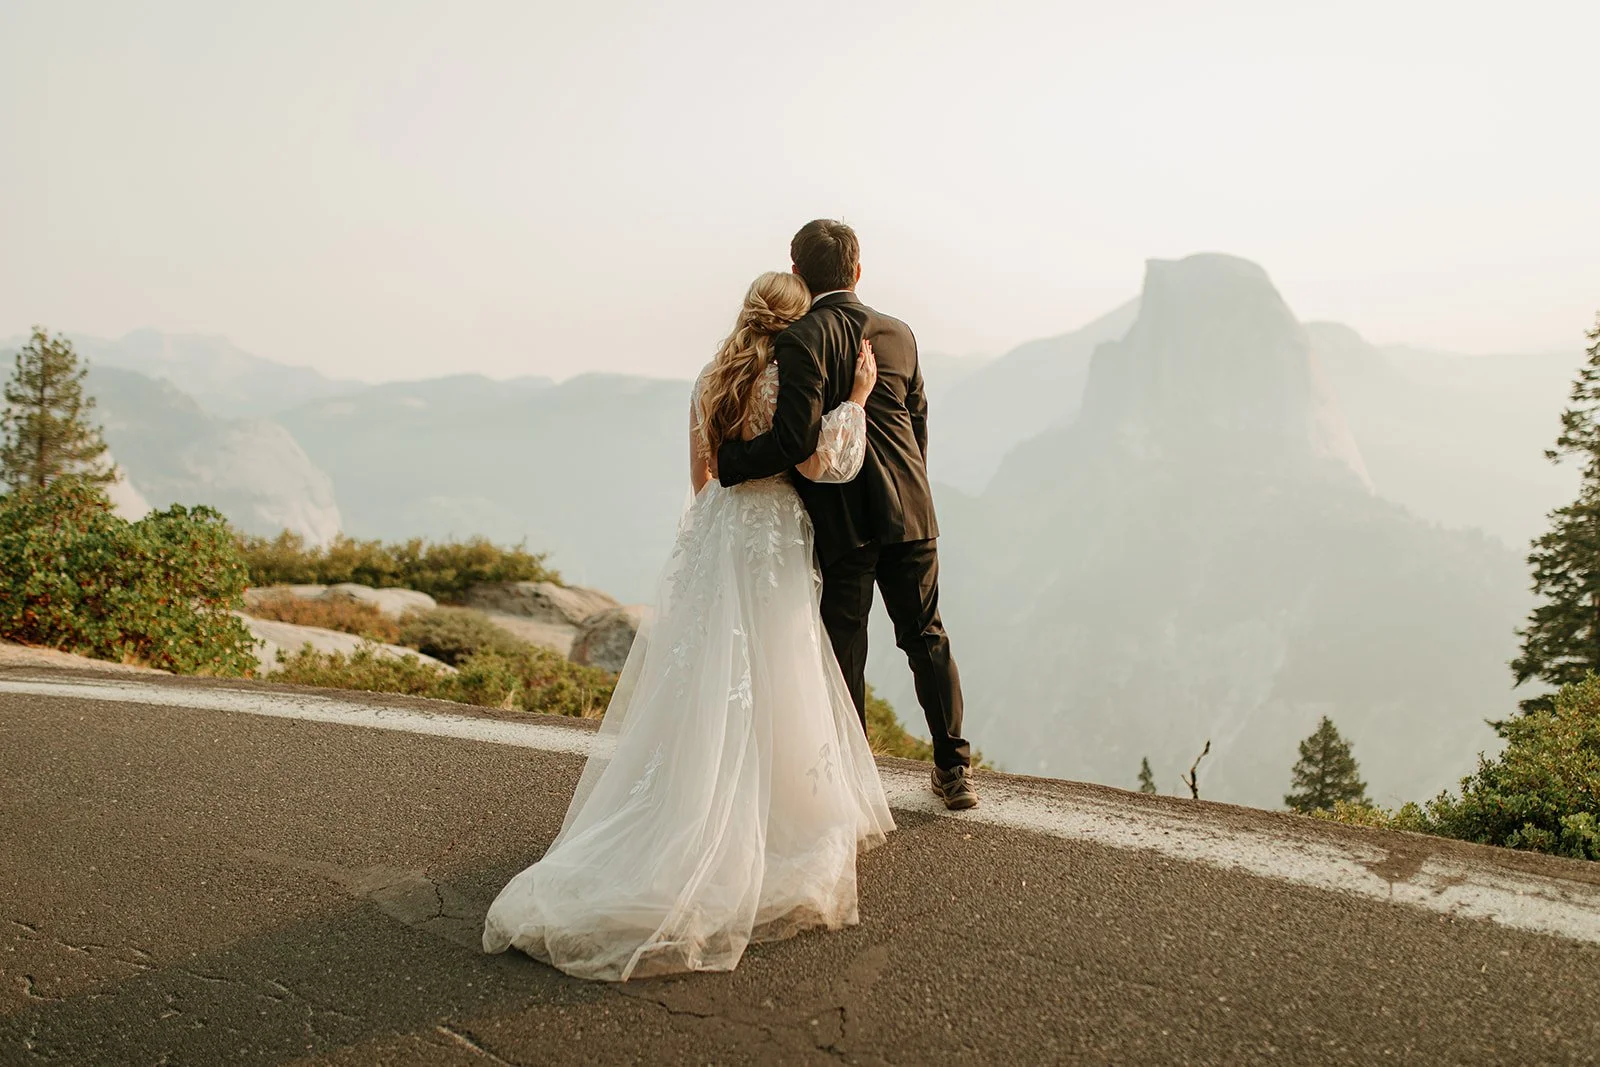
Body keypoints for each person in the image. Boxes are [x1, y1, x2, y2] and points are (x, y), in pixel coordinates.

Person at [483, 271, 894, 982]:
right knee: (780, 668)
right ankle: (775, 812)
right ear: (792, 324)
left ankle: (688, 800)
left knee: (709, 673)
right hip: (772, 533)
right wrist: (855, 399)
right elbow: (822, 462)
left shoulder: (712, 377)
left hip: (720, 531)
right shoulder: (783, 376)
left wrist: (721, 527)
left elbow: (702, 478)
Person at [716, 219, 975, 811]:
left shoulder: (800, 339)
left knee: (844, 651)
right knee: (926, 636)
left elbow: (791, 440)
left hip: (843, 521)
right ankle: (953, 770)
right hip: (912, 512)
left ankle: (855, 785)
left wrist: (729, 460)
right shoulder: (900, 334)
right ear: (858, 270)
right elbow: (919, 422)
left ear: (798, 270)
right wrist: (911, 489)